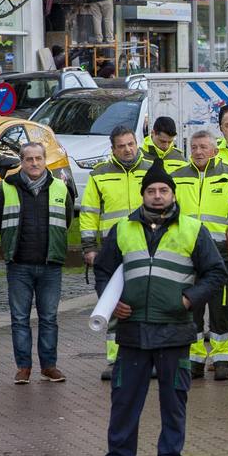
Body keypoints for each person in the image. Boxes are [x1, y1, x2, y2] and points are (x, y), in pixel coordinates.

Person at [86, 161, 227, 456]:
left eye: (164, 190)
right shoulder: (123, 228)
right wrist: (110, 301)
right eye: (152, 191)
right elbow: (104, 270)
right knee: (123, 402)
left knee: (173, 403)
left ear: (173, 194)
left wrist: (189, 300)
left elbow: (216, 273)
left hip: (174, 330)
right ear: (143, 195)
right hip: (132, 331)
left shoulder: (193, 229)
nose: (158, 196)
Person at [0, 141, 74, 384]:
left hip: (50, 265)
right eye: (29, 159)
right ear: (22, 162)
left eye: (38, 158)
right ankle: (23, 367)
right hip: (19, 265)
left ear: (45, 160)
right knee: (19, 319)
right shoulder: (7, 188)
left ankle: (49, 366)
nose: (34, 163)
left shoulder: (59, 187)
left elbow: (66, 221)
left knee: (49, 318)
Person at [81, 125, 154, 380]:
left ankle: (149, 358)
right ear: (113, 149)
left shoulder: (151, 169)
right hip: (114, 248)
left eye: (131, 144)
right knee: (113, 303)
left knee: (148, 301)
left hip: (147, 245)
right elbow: (89, 212)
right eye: (121, 146)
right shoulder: (99, 174)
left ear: (137, 143)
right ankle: (115, 360)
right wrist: (89, 248)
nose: (127, 149)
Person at [171, 130, 228, 381]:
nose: (198, 152)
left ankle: (223, 359)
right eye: (194, 147)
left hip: (222, 251)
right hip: (189, 252)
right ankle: (195, 359)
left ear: (215, 150)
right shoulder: (177, 177)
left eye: (203, 147)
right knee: (192, 307)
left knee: (222, 307)